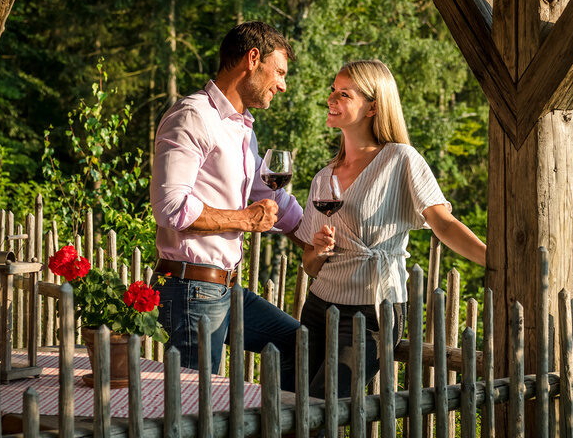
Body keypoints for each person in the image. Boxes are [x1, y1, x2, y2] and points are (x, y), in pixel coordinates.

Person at [295, 59, 486, 398]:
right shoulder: (323, 178)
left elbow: (443, 223)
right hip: (318, 306)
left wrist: (495, 260)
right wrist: (319, 252)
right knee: (290, 407)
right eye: (332, 91)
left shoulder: (400, 159)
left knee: (320, 412)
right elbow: (310, 265)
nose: (331, 99)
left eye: (344, 94)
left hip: (372, 311)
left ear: (372, 106)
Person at [150, 21, 302, 391]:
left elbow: (269, 197)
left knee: (298, 343)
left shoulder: (242, 128)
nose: (282, 85)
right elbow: (170, 206)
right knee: (193, 408)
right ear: (253, 59)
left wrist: (316, 234)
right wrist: (246, 220)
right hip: (190, 288)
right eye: (279, 72)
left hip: (226, 289)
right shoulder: (192, 116)